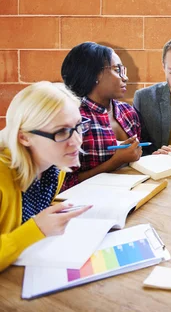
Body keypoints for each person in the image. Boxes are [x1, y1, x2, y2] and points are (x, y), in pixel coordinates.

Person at [0, 82, 93, 271]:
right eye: (61, 132)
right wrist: (36, 230)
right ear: (24, 137)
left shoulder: (53, 167)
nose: (76, 141)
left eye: (78, 126)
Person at [61, 42, 142, 189]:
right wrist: (113, 163)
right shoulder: (74, 120)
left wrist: (157, 154)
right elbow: (62, 184)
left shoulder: (128, 112)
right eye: (117, 70)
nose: (125, 78)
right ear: (93, 74)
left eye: (123, 70)